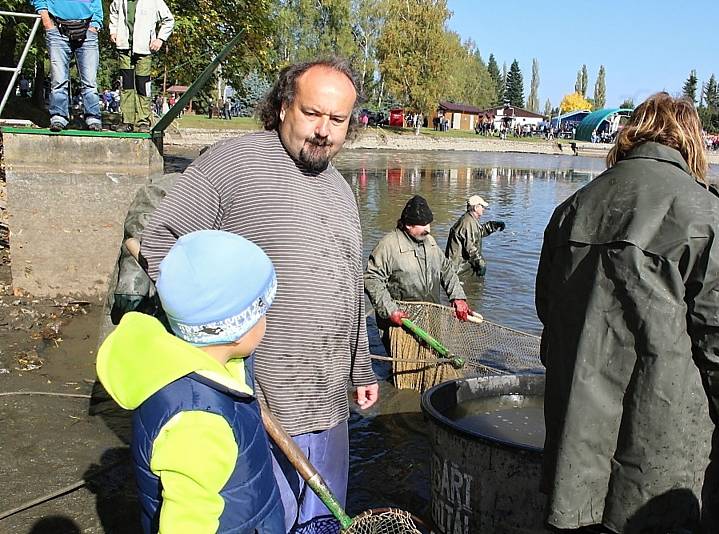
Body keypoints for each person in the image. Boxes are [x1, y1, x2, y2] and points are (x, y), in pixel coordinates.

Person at [139, 58, 376, 533]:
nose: (324, 131)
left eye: (338, 119)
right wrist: (212, 361)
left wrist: (360, 367)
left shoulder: (342, 189)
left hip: (328, 401)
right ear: (285, 105)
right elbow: (160, 240)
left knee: (322, 523)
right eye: (313, 113)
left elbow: (350, 284)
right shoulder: (234, 162)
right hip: (257, 402)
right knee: (266, 522)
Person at [535, 93, 719, 533]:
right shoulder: (704, 212)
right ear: (691, 142)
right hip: (666, 457)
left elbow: (548, 314)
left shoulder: (572, 209)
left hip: (575, 445)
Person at [96, 230, 285, 533]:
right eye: (263, 310)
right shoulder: (199, 422)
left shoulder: (192, 363)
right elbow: (186, 522)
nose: (267, 319)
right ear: (237, 327)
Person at [365, 195, 472, 352]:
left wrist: (458, 297)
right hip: (402, 321)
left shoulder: (430, 242)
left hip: (431, 318)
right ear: (408, 225)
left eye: (429, 224)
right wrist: (390, 310)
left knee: (431, 359)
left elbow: (446, 269)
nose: (428, 229)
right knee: (403, 365)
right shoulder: (388, 245)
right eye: (423, 225)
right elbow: (371, 279)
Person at [32, 0, 103, 131]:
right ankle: (59, 117)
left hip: (88, 29)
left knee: (90, 81)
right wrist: (47, 22)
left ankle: (93, 118)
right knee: (58, 80)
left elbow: (97, 2)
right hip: (57, 29)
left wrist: (95, 24)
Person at [109, 0, 174, 132]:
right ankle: (126, 121)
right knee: (126, 85)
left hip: (144, 49)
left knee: (143, 86)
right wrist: (113, 31)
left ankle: (142, 122)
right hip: (124, 48)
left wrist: (160, 39)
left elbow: (169, 20)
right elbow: (114, 12)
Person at [445, 195, 505, 278]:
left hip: (463, 267)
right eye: (482, 206)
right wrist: (480, 263)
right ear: (476, 208)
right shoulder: (467, 222)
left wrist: (494, 225)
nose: (484, 209)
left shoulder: (470, 220)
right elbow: (470, 247)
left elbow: (479, 232)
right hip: (459, 270)